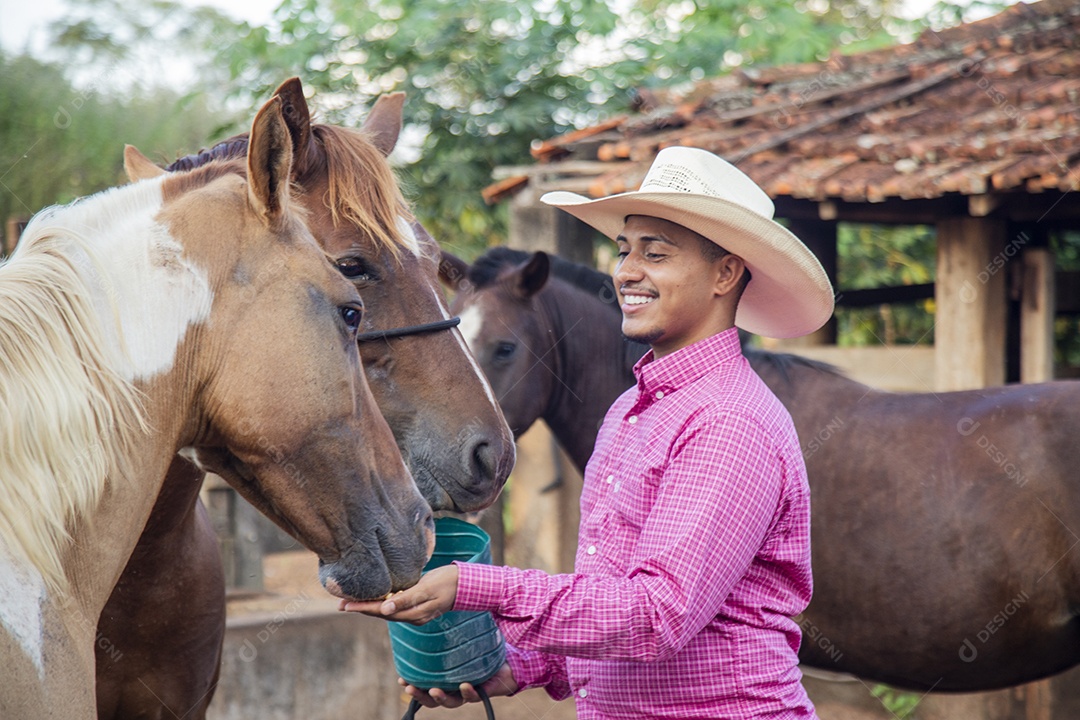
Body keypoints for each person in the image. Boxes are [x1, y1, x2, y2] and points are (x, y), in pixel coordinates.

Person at [342, 146, 834, 719]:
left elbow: (656, 615)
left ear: (725, 273)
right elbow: (613, 601)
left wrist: (477, 588)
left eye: (655, 253)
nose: (626, 272)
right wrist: (517, 666)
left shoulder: (729, 421)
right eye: (624, 250)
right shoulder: (630, 410)